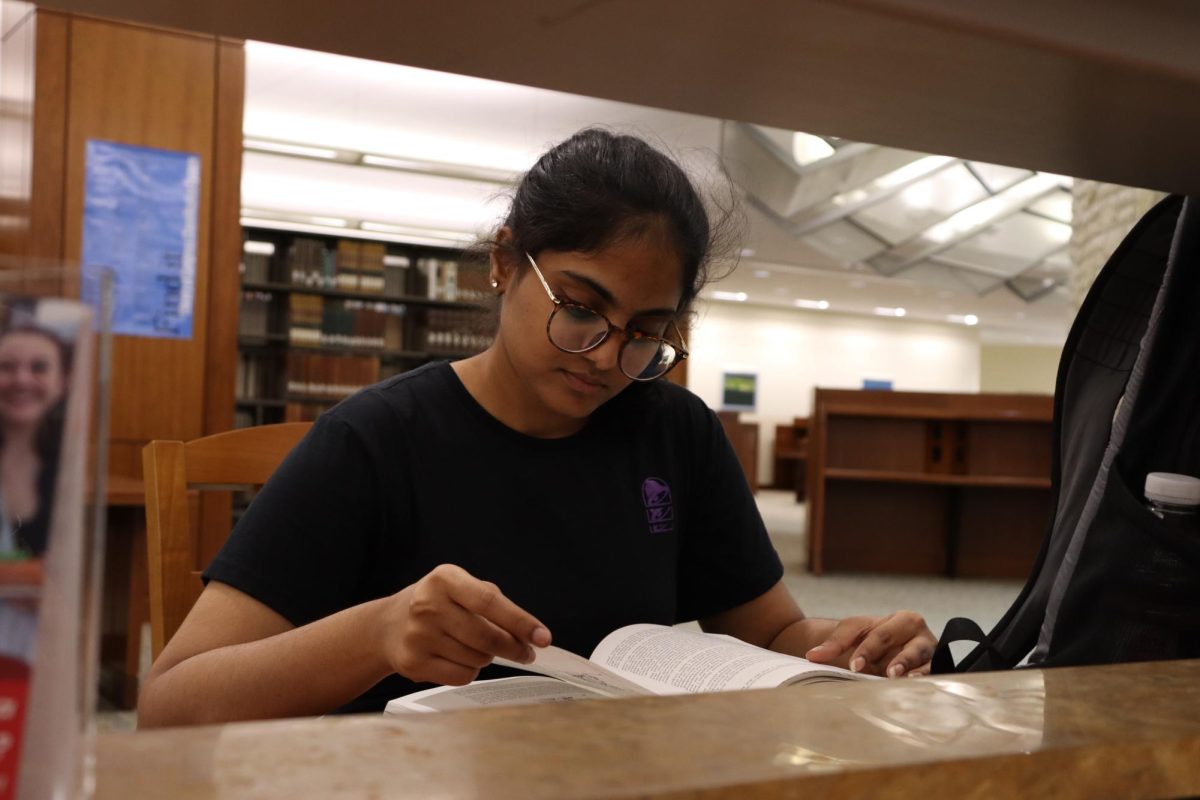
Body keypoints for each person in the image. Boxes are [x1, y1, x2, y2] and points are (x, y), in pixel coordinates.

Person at [138, 129, 936, 728]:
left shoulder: (675, 433)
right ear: (505, 261)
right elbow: (170, 705)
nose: (605, 357)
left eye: (646, 331)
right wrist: (377, 632)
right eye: (583, 308)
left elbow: (774, 631)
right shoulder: (373, 442)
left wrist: (856, 644)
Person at [0, 325, 70, 559]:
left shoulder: (68, 464)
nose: (21, 380)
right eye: (6, 367)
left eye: (39, 367)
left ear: (62, 383)